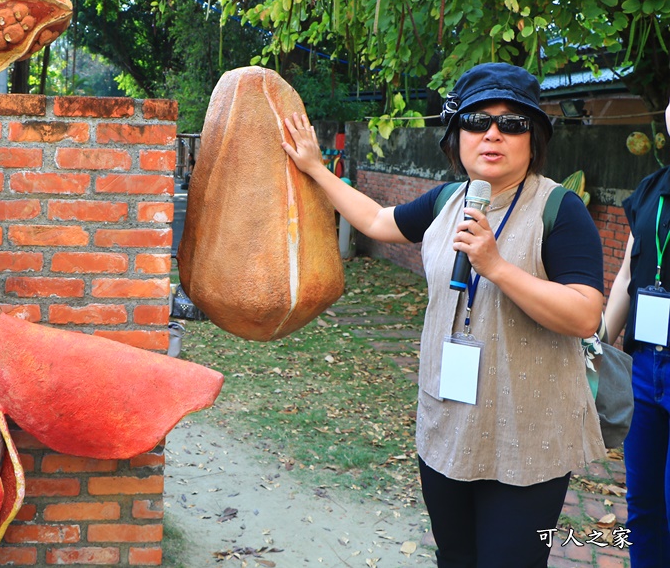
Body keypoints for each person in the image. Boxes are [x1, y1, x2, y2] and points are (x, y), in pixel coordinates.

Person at [282, 62, 606, 568]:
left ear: (533, 139)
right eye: (477, 121)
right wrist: (315, 168)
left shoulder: (560, 210)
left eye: (512, 123)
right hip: (448, 424)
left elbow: (586, 315)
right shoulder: (447, 201)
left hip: (528, 437)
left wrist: (496, 267)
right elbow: (374, 219)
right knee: (455, 557)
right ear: (456, 137)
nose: (493, 134)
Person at [605, 97, 670, 568]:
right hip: (646, 369)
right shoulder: (651, 189)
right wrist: (601, 339)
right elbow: (630, 268)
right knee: (644, 505)